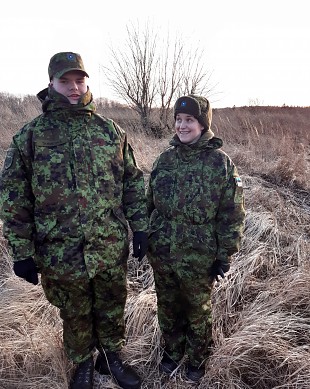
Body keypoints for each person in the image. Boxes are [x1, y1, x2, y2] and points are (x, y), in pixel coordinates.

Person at [0, 52, 148, 389]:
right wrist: (22, 252)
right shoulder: (31, 137)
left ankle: (112, 358)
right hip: (60, 251)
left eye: (79, 80)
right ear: (51, 82)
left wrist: (140, 226)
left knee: (112, 303)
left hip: (108, 244)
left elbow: (132, 183)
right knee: (75, 312)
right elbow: (13, 198)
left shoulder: (110, 131)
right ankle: (82, 362)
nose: (74, 87)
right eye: (65, 81)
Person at [146, 94, 245, 383]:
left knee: (197, 310)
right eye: (178, 119)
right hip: (162, 250)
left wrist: (225, 254)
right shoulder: (164, 160)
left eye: (189, 120)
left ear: (202, 124)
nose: (182, 125)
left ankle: (198, 359)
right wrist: (142, 234)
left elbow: (232, 213)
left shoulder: (220, 164)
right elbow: (148, 201)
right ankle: (173, 352)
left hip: (199, 254)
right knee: (167, 305)